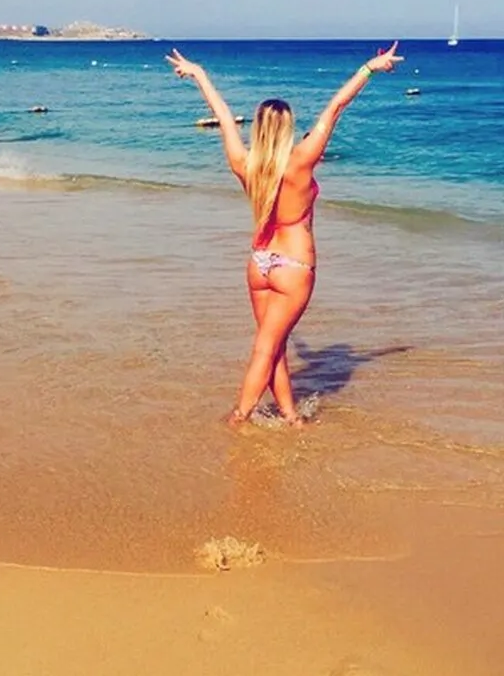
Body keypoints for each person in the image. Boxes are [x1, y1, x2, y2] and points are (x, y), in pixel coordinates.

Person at [165, 42, 404, 427]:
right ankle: (239, 418)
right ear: (289, 127)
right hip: (293, 267)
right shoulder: (303, 159)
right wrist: (369, 68)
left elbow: (223, 116)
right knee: (266, 348)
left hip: (259, 264)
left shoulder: (244, 163)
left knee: (272, 345)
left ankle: (290, 416)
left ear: (258, 128)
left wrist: (199, 74)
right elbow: (336, 107)